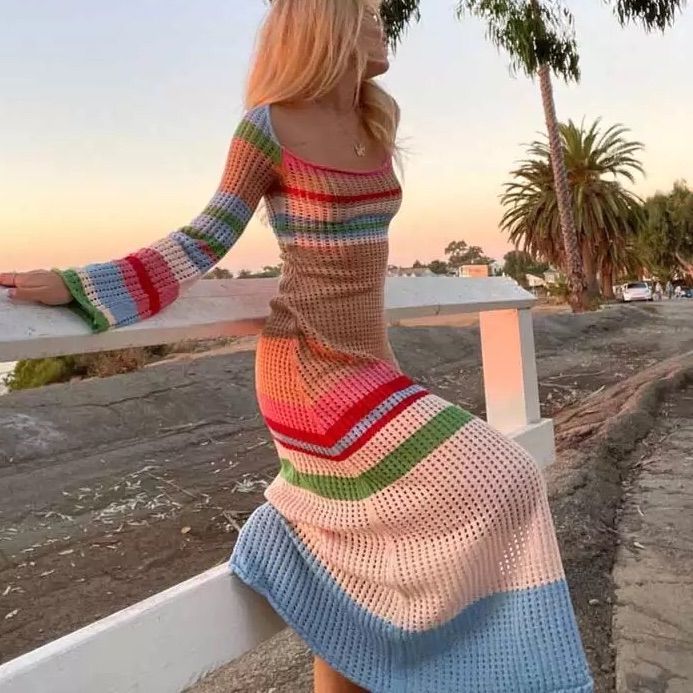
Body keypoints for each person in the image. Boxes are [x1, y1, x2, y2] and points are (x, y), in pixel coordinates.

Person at [0, 2, 593, 691]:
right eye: (369, 14)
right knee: (507, 478)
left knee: (365, 557)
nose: (382, 27)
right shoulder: (267, 127)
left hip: (370, 368)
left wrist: (384, 366)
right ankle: (510, 671)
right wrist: (73, 283)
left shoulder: (378, 119)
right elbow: (202, 239)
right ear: (328, 23)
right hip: (305, 372)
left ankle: (346, 616)